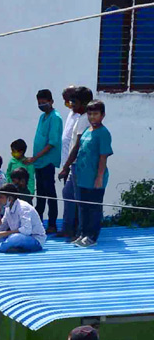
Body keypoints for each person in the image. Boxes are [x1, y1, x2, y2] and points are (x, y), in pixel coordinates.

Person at [60, 99, 112, 247]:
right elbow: (78, 150)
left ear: (102, 115)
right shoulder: (87, 131)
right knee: (82, 207)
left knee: (93, 208)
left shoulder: (103, 133)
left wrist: (99, 177)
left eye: (96, 114)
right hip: (82, 176)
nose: (92, 117)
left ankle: (92, 237)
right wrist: (67, 167)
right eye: (90, 114)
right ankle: (82, 233)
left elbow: (103, 157)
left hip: (94, 177)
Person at [28, 89, 63, 232]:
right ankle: (39, 222)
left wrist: (36, 157)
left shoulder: (55, 117)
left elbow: (52, 142)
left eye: (44, 102)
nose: (42, 105)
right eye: (39, 103)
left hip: (47, 161)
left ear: (51, 101)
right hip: (39, 162)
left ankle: (52, 223)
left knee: (50, 193)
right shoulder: (43, 117)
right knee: (40, 193)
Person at [0, 185, 47, 253]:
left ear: (10, 198)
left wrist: (4, 233)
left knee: (16, 238)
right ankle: (11, 247)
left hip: (34, 239)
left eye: (1, 197)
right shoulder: (8, 209)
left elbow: (26, 231)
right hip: (14, 237)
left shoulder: (23, 207)